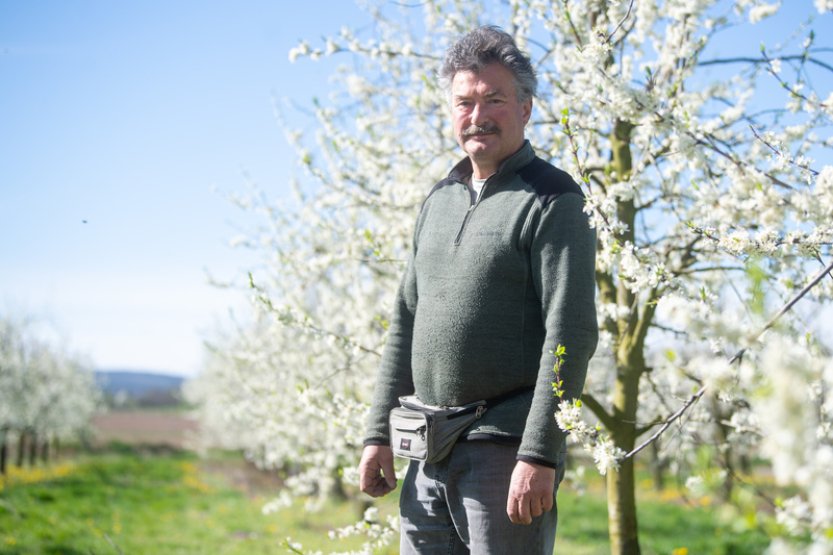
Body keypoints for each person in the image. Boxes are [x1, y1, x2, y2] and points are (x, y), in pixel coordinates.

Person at [358, 26, 598, 554]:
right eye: (465, 102)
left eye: (495, 99)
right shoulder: (438, 200)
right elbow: (405, 319)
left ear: (526, 107)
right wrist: (378, 433)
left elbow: (571, 331)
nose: (478, 115)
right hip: (425, 447)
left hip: (505, 453)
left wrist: (538, 453)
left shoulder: (554, 200)